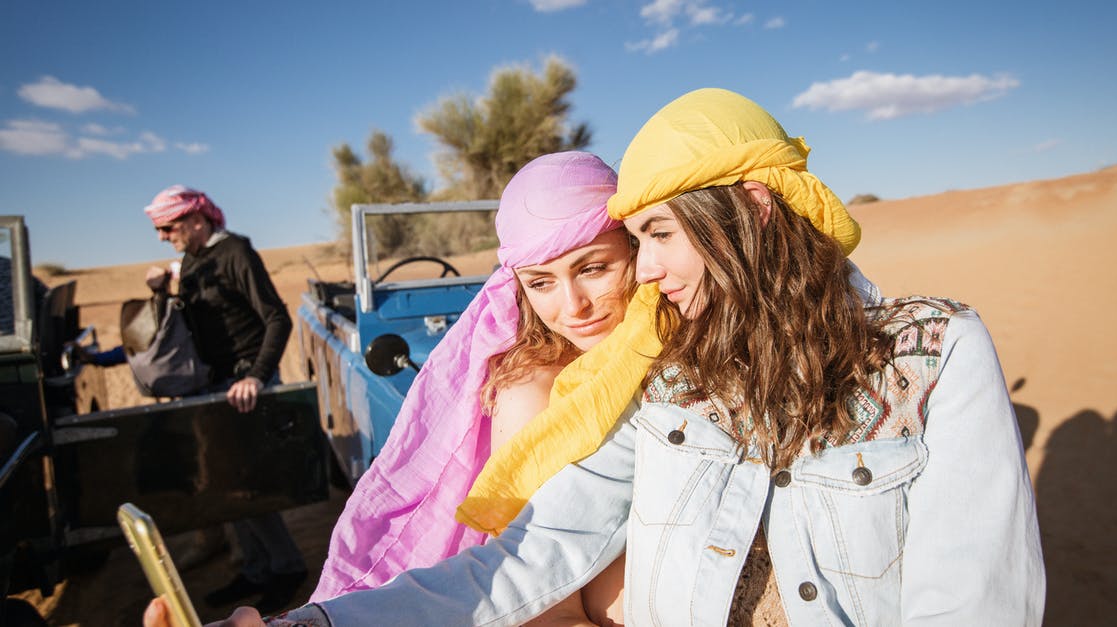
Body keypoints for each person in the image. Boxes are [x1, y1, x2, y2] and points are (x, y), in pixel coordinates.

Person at [161, 88, 1044, 626]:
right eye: (639, 238)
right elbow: (527, 555)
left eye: (653, 235)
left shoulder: (931, 356)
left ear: (755, 209)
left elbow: (975, 604)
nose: (645, 270)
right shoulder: (674, 378)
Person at [309, 151, 638, 625]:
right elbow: (544, 604)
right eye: (541, 282)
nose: (574, 306)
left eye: (593, 268)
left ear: (634, 248)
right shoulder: (536, 392)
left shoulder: (664, 355)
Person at [142, 185, 310, 614]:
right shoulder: (192, 261)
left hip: (244, 385)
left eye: (168, 226)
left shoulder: (235, 252)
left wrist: (256, 376)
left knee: (247, 484)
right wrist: (162, 291)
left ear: (196, 219)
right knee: (226, 484)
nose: (162, 236)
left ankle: (287, 568)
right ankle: (254, 570)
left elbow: (276, 317)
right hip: (214, 387)